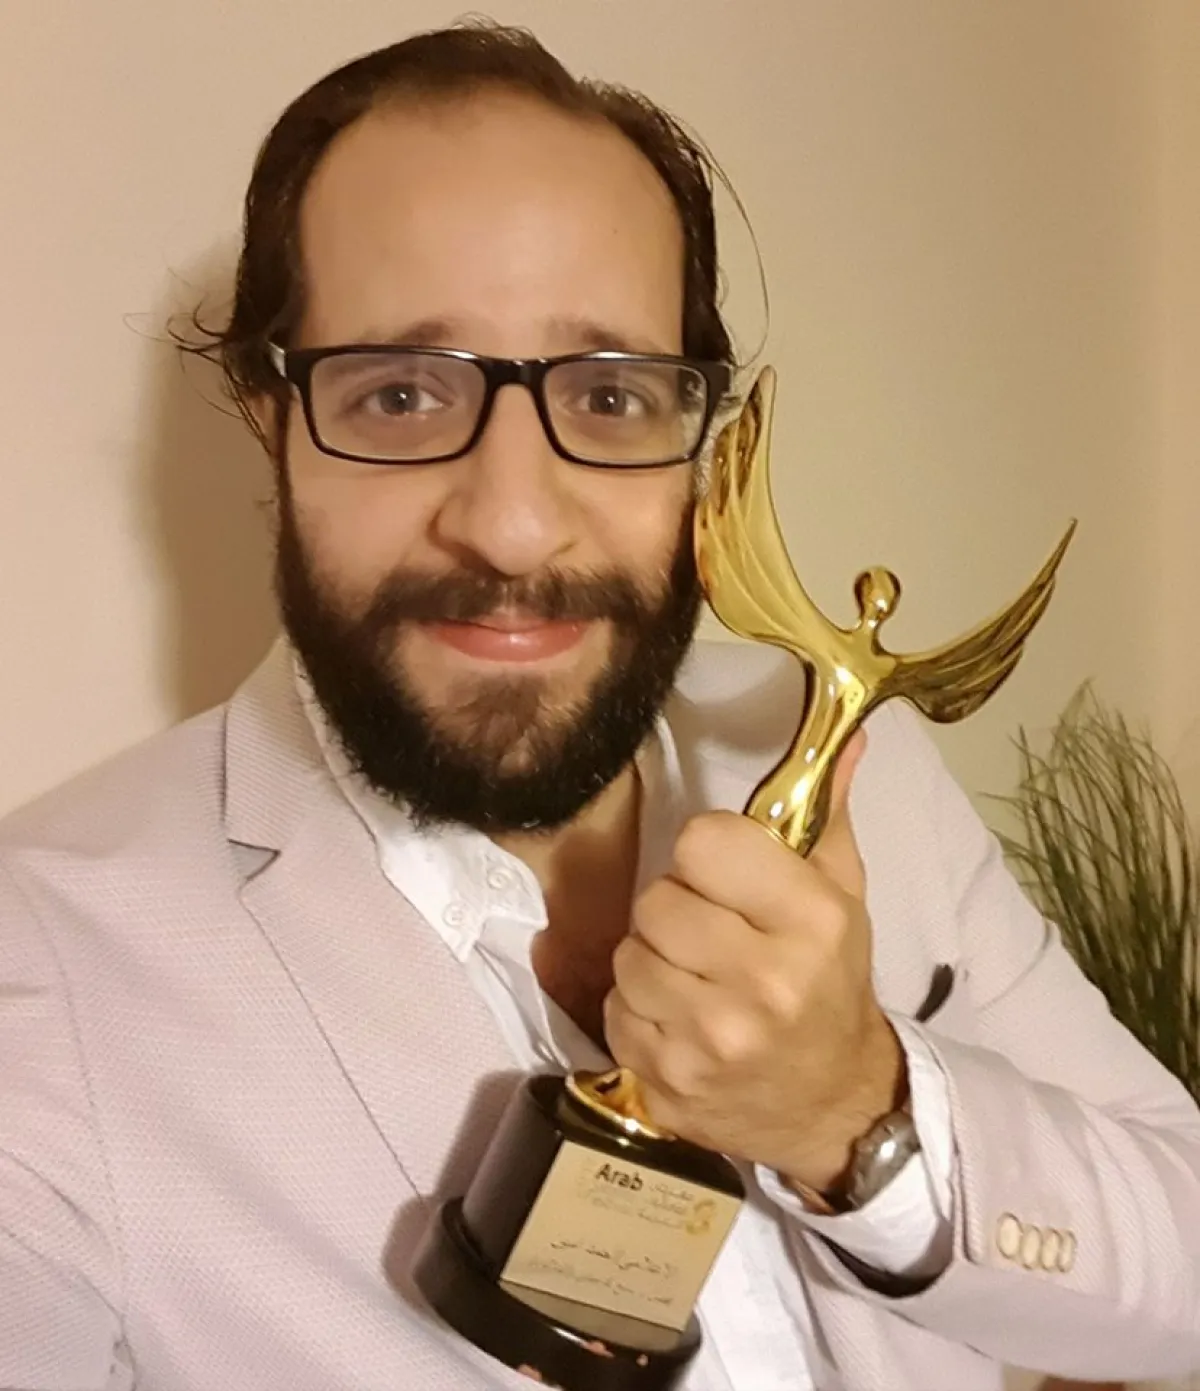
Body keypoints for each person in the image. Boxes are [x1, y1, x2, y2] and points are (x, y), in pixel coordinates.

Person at [1, 20, 1197, 1391]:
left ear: (700, 438)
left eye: (612, 394)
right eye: (400, 392)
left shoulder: (855, 764)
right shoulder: (42, 984)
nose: (513, 525)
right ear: (272, 419)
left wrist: (858, 1116)